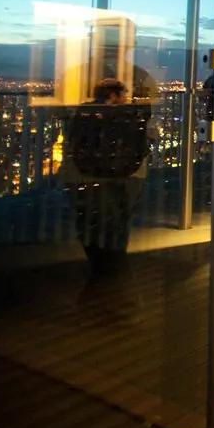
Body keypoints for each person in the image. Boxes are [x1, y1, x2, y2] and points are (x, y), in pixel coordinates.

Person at [63, 78, 152, 317]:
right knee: (120, 222)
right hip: (126, 175)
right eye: (122, 95)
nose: (124, 99)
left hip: (87, 176)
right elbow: (142, 145)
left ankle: (101, 271)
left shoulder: (84, 113)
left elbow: (73, 141)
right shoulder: (130, 116)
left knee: (93, 221)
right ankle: (115, 275)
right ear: (113, 95)